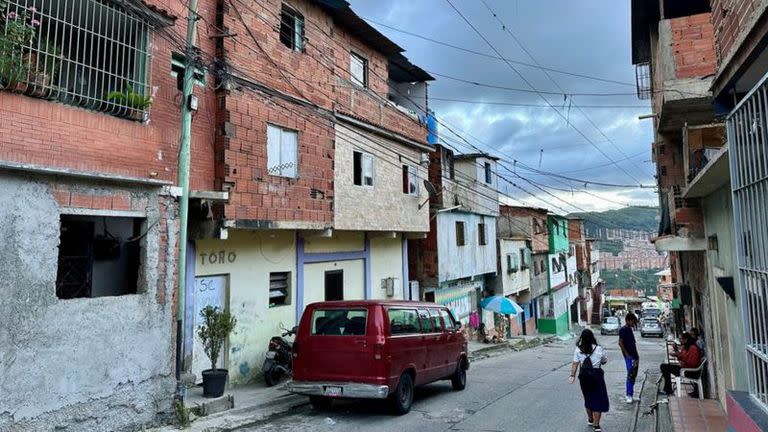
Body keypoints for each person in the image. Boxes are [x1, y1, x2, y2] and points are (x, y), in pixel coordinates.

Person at [569, 329, 609, 432]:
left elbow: (575, 364)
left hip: (584, 377)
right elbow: (604, 360)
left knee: (588, 398)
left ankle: (590, 418)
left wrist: (572, 375)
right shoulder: (599, 348)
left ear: (581, 338)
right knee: (598, 399)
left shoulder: (578, 349)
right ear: (592, 337)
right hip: (597, 377)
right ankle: (597, 425)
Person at [619, 313, 640, 404]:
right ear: (628, 320)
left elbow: (633, 344)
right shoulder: (623, 330)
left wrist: (637, 356)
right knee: (630, 375)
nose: (634, 323)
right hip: (630, 357)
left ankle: (631, 393)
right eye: (633, 321)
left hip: (635, 356)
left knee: (634, 374)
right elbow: (620, 343)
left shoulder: (630, 330)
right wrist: (627, 354)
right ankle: (629, 395)